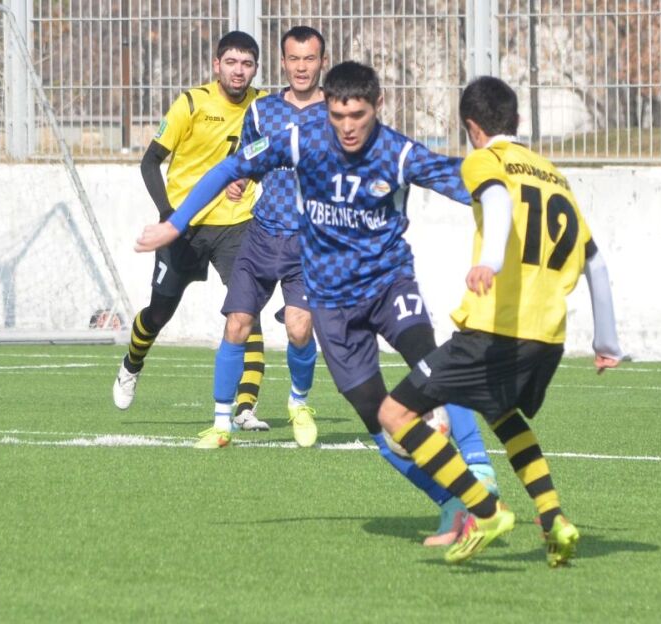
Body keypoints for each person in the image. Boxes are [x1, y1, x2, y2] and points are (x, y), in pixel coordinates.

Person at [134, 61, 500, 546]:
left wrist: (513, 184)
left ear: (378, 106)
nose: (347, 126)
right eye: (338, 115)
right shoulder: (298, 140)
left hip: (389, 285)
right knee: (377, 418)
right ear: (327, 107)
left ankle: (479, 468)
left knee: (428, 360)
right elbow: (230, 167)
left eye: (358, 115)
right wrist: (175, 224)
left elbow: (470, 181)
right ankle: (452, 504)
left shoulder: (398, 152)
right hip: (332, 302)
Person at [377, 76, 624, 566]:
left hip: (495, 329)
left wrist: (490, 260)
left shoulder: (483, 160)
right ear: (518, 120)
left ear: (472, 127)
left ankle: (485, 511)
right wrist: (607, 342)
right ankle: (553, 517)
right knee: (502, 412)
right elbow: (595, 262)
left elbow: (496, 199)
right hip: (547, 336)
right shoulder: (552, 175)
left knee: (394, 414)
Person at [112, 31, 268, 413]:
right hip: (184, 226)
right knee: (159, 312)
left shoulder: (264, 107)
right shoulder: (192, 103)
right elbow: (150, 161)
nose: (238, 71)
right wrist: (169, 215)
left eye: (246, 64)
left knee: (246, 310)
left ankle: (246, 407)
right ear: (217, 65)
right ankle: (132, 363)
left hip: (236, 224)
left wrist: (250, 179)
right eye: (231, 62)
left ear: (255, 69)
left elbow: (270, 157)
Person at [194, 26, 328, 449]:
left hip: (310, 243)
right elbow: (249, 159)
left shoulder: (339, 113)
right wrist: (239, 180)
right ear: (283, 62)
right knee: (237, 323)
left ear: (322, 62)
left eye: (309, 58)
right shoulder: (262, 111)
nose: (301, 67)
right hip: (262, 235)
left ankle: (298, 403)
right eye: (294, 59)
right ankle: (221, 424)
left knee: (299, 328)